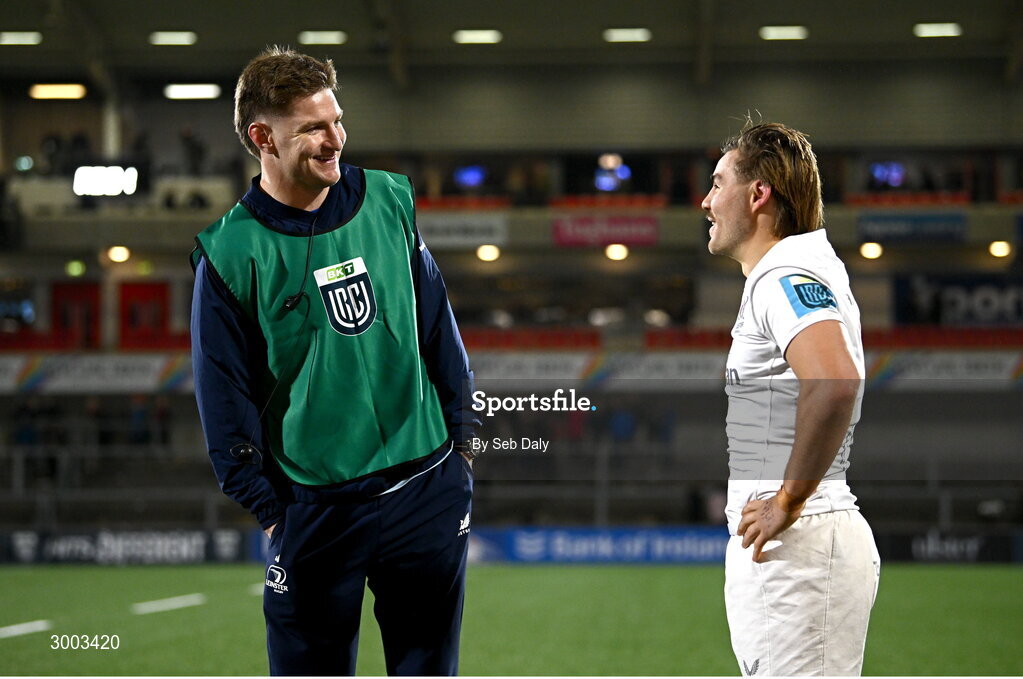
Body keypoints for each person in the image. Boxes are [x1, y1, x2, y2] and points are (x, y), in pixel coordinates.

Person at [190, 46, 479, 676]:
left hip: (426, 485)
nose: (334, 141)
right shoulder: (228, 253)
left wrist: (460, 444)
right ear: (261, 136)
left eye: (337, 121)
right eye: (312, 129)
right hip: (314, 508)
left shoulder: (389, 200)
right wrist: (269, 510)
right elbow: (223, 394)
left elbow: (437, 323)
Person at [701, 120, 880, 676]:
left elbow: (833, 382)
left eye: (718, 182)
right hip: (800, 549)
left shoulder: (784, 275)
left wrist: (787, 502)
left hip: (799, 549)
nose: (706, 202)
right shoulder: (797, 270)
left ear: (759, 195)